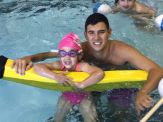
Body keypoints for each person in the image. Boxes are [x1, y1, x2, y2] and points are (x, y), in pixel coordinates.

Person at [12, 13, 163, 116]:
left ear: (109, 32)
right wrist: (28, 58)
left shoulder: (123, 51)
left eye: (101, 32)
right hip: (92, 82)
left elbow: (156, 69)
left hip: (120, 83)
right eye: (91, 33)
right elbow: (47, 54)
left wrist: (142, 93)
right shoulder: (79, 49)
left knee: (119, 113)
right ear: (85, 34)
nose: (96, 38)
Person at [34, 32, 104, 122]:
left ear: (79, 55)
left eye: (71, 53)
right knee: (58, 120)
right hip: (66, 96)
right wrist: (55, 76)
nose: (67, 57)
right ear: (59, 55)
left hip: (84, 97)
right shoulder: (59, 65)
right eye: (63, 53)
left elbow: (99, 73)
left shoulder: (82, 66)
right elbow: (37, 67)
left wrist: (82, 85)